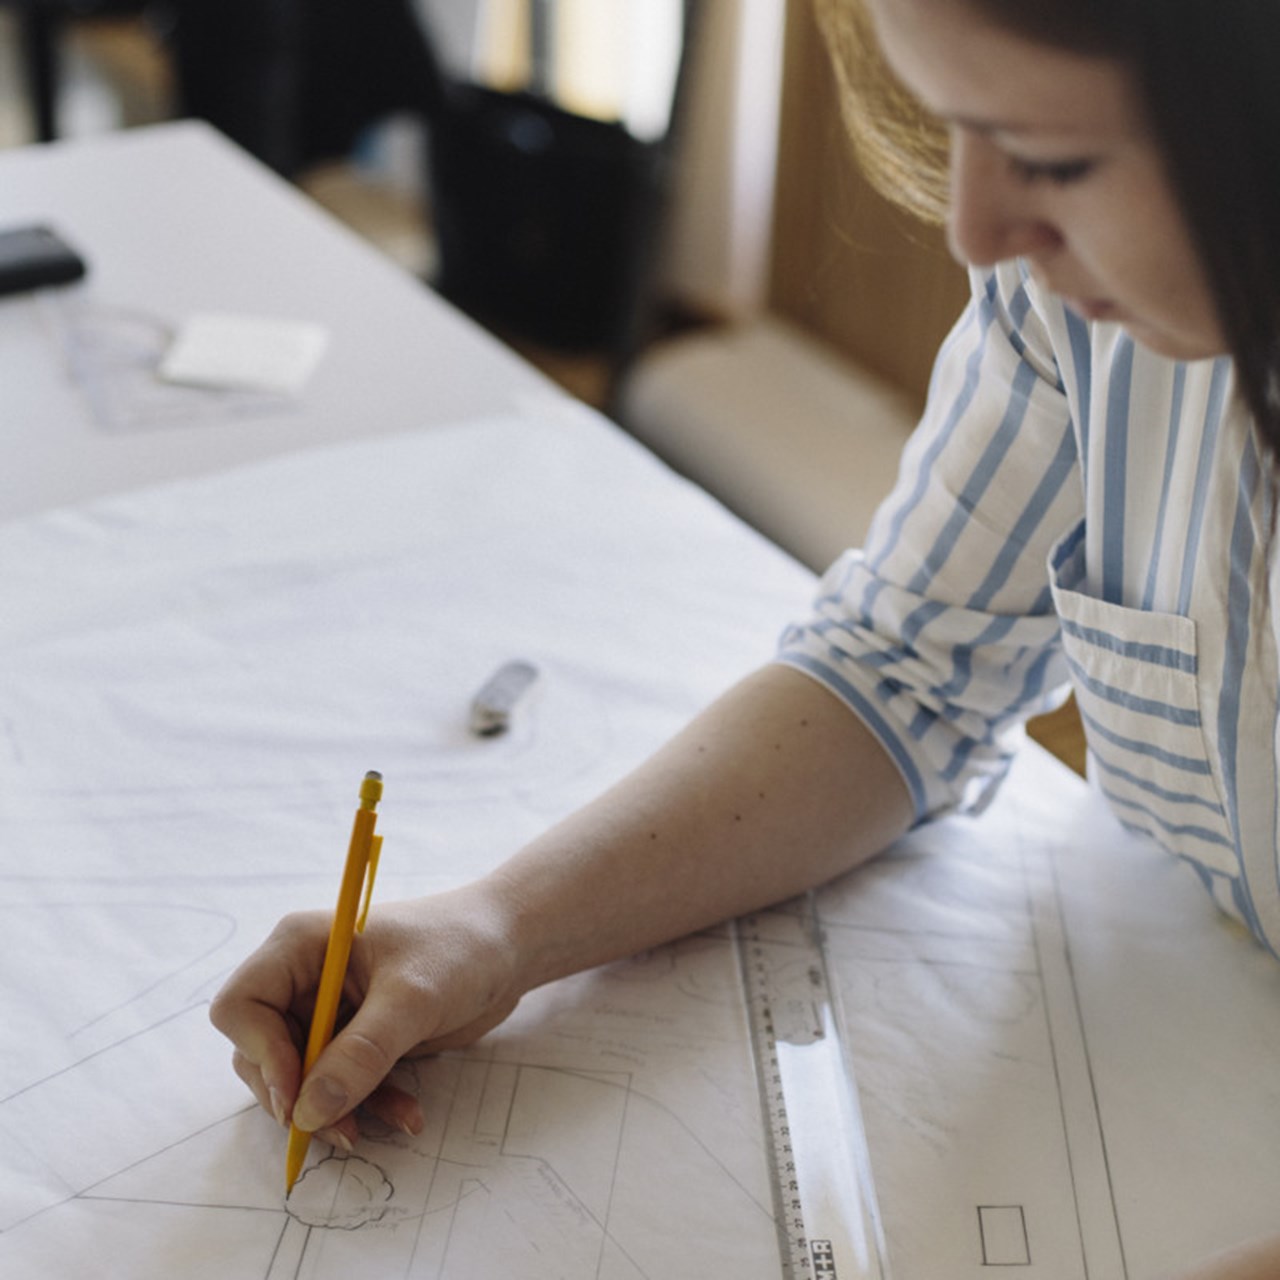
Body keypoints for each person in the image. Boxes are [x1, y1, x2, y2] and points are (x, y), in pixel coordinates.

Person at [210, 1, 1280, 1275]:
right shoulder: (1078, 299)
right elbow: (895, 672)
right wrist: (497, 927)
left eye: (1051, 160)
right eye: (956, 131)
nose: (975, 230)